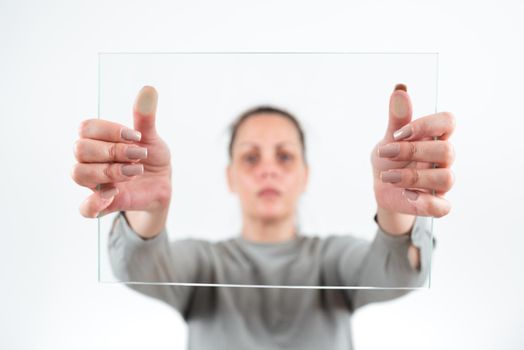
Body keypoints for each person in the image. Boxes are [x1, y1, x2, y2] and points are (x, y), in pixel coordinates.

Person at [71, 84, 455, 349]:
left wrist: (396, 206)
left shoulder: (332, 261)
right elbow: (142, 264)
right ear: (230, 176)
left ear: (305, 175)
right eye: (251, 157)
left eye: (284, 156)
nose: (267, 170)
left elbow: (397, 272)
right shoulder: (205, 265)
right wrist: (147, 212)